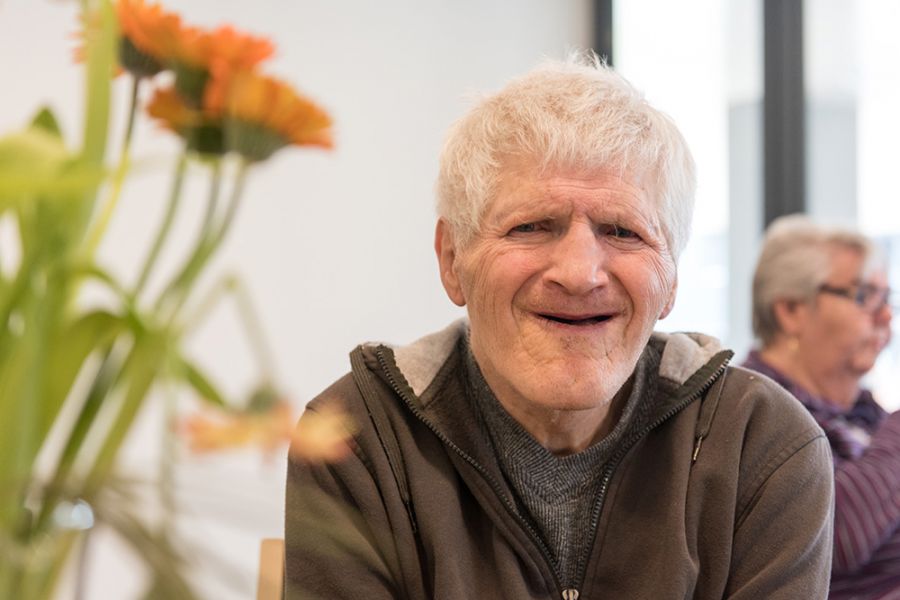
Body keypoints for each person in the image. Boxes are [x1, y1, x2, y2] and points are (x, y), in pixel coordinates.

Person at [285, 56, 834, 599]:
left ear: (670, 280)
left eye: (622, 231)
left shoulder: (761, 444)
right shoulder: (356, 438)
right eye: (531, 227)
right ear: (452, 260)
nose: (579, 273)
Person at [742, 215, 897, 599]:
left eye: (886, 298)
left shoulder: (863, 413)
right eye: (863, 296)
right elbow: (835, 537)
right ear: (791, 310)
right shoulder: (753, 410)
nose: (886, 316)